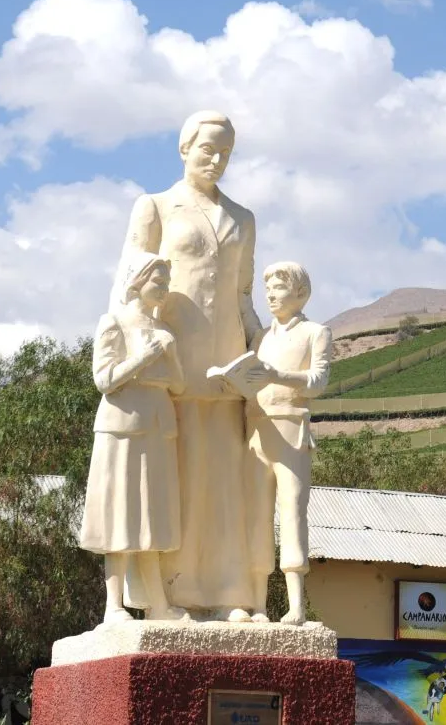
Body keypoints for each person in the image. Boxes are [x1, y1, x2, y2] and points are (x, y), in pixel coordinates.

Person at [120, 110, 264, 620]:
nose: (216, 159)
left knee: (224, 483)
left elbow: (243, 295)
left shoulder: (243, 218)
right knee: (170, 484)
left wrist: (263, 339)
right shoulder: (156, 207)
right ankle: (166, 596)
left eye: (225, 152)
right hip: (169, 365)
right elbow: (128, 288)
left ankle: (227, 594)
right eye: (208, 149)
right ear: (185, 149)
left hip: (227, 368)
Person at [79, 252, 189, 624]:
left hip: (158, 425)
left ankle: (158, 603)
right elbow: (104, 380)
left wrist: (168, 356)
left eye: (166, 282)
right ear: (138, 281)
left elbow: (179, 384)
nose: (164, 289)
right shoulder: (113, 323)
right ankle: (114, 606)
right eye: (158, 281)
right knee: (119, 514)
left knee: (151, 516)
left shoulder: (164, 332)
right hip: (122, 427)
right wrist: (142, 359)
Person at [245, 262, 333, 624]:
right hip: (255, 433)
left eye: (278, 288)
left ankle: (296, 605)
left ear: (300, 293)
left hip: (291, 430)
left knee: (293, 512)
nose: (270, 296)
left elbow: (318, 380)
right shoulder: (260, 338)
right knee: (256, 516)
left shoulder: (316, 332)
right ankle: (258, 604)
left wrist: (277, 375)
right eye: (267, 290)